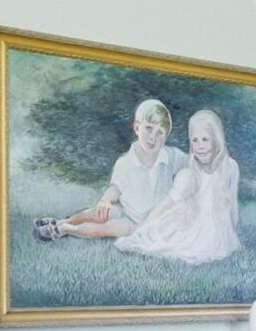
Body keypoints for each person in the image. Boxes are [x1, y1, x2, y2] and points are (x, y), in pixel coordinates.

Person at [36, 98, 185, 240]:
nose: (153, 137)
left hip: (139, 223)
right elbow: (116, 188)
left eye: (160, 133)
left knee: (110, 228)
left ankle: (65, 229)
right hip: (126, 210)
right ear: (137, 128)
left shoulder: (172, 156)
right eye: (149, 128)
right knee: (99, 213)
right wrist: (105, 200)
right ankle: (63, 221)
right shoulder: (126, 162)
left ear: (165, 137)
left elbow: (192, 166)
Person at [116, 106, 244, 265]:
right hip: (193, 225)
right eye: (195, 140)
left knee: (204, 244)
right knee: (163, 234)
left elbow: (232, 203)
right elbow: (167, 203)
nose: (200, 146)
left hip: (216, 231)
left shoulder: (230, 167)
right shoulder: (190, 174)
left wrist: (232, 233)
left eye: (205, 139)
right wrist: (144, 225)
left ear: (217, 140)